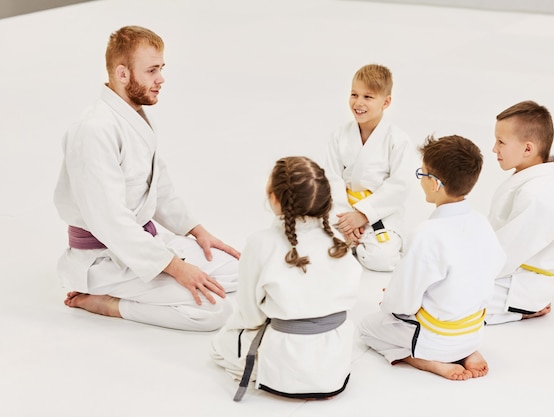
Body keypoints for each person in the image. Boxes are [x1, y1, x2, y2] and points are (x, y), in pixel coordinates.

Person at [53, 25, 239, 331]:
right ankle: (107, 302)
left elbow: (159, 187)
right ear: (123, 74)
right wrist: (178, 268)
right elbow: (110, 221)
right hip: (105, 257)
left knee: (241, 272)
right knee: (213, 310)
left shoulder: (131, 116)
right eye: (152, 70)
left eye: (161, 68)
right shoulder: (93, 130)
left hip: (144, 243)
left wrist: (197, 231)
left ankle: (155, 279)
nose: (161, 79)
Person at [208, 156, 361, 401]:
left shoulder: (260, 243)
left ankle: (271, 375)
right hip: (335, 356)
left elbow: (250, 314)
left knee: (220, 345)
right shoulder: (338, 241)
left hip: (287, 357)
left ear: (274, 198)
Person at [359, 135, 506, 380]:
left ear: (435, 183)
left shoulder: (427, 233)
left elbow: (402, 303)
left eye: (422, 174)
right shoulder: (481, 223)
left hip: (435, 338)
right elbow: (493, 267)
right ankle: (466, 351)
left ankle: (423, 360)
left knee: (367, 328)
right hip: (473, 331)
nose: (421, 180)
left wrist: (390, 303)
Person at [485, 100, 554, 325]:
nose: (494, 149)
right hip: (511, 275)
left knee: (440, 301)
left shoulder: (540, 194)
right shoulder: (530, 181)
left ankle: (520, 311)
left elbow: (506, 254)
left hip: (519, 286)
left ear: (528, 148)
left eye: (501, 142)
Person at [324, 63, 413, 272]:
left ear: (386, 102)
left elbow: (399, 186)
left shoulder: (397, 140)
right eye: (354, 94)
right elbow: (332, 178)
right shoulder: (339, 136)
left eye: (368, 97)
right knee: (325, 249)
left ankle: (376, 242)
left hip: (380, 212)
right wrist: (346, 220)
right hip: (343, 211)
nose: (358, 102)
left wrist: (363, 215)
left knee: (382, 260)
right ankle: (351, 239)